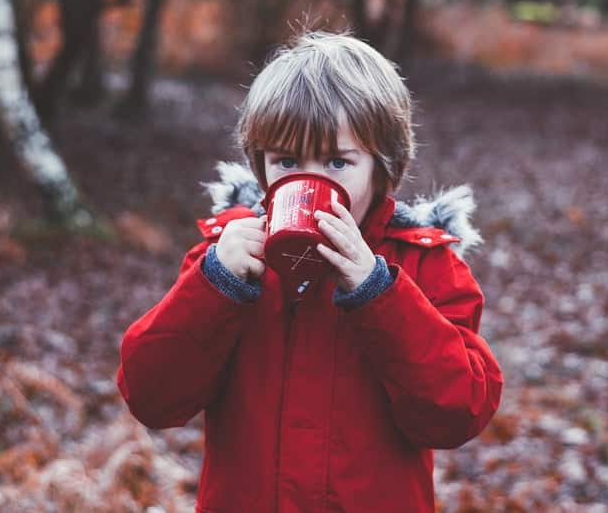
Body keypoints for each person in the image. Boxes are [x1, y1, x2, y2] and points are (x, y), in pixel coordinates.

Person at [116, 29, 503, 512]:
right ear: (259, 165)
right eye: (287, 161)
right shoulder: (228, 259)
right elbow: (151, 397)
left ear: (383, 168)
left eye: (338, 162)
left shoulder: (424, 265)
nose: (311, 180)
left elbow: (456, 414)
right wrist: (216, 284)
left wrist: (379, 292)